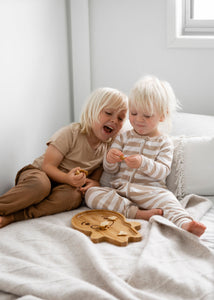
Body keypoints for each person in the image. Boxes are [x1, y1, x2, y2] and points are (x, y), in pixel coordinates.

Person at [85, 76, 206, 237]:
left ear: (162, 116)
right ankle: (138, 214)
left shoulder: (164, 142)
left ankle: (185, 223)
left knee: (169, 200)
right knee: (92, 194)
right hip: (122, 190)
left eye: (147, 116)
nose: (138, 120)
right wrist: (110, 159)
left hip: (151, 192)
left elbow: (162, 171)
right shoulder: (123, 137)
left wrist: (143, 163)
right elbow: (110, 169)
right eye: (133, 113)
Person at [0, 87, 128, 228]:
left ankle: (14, 216)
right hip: (40, 173)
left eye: (120, 118)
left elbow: (97, 173)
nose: (114, 120)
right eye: (109, 113)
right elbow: (47, 166)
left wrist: (94, 183)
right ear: (92, 111)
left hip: (64, 186)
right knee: (41, 185)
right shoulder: (72, 133)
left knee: (72, 198)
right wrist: (67, 178)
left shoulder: (108, 147)